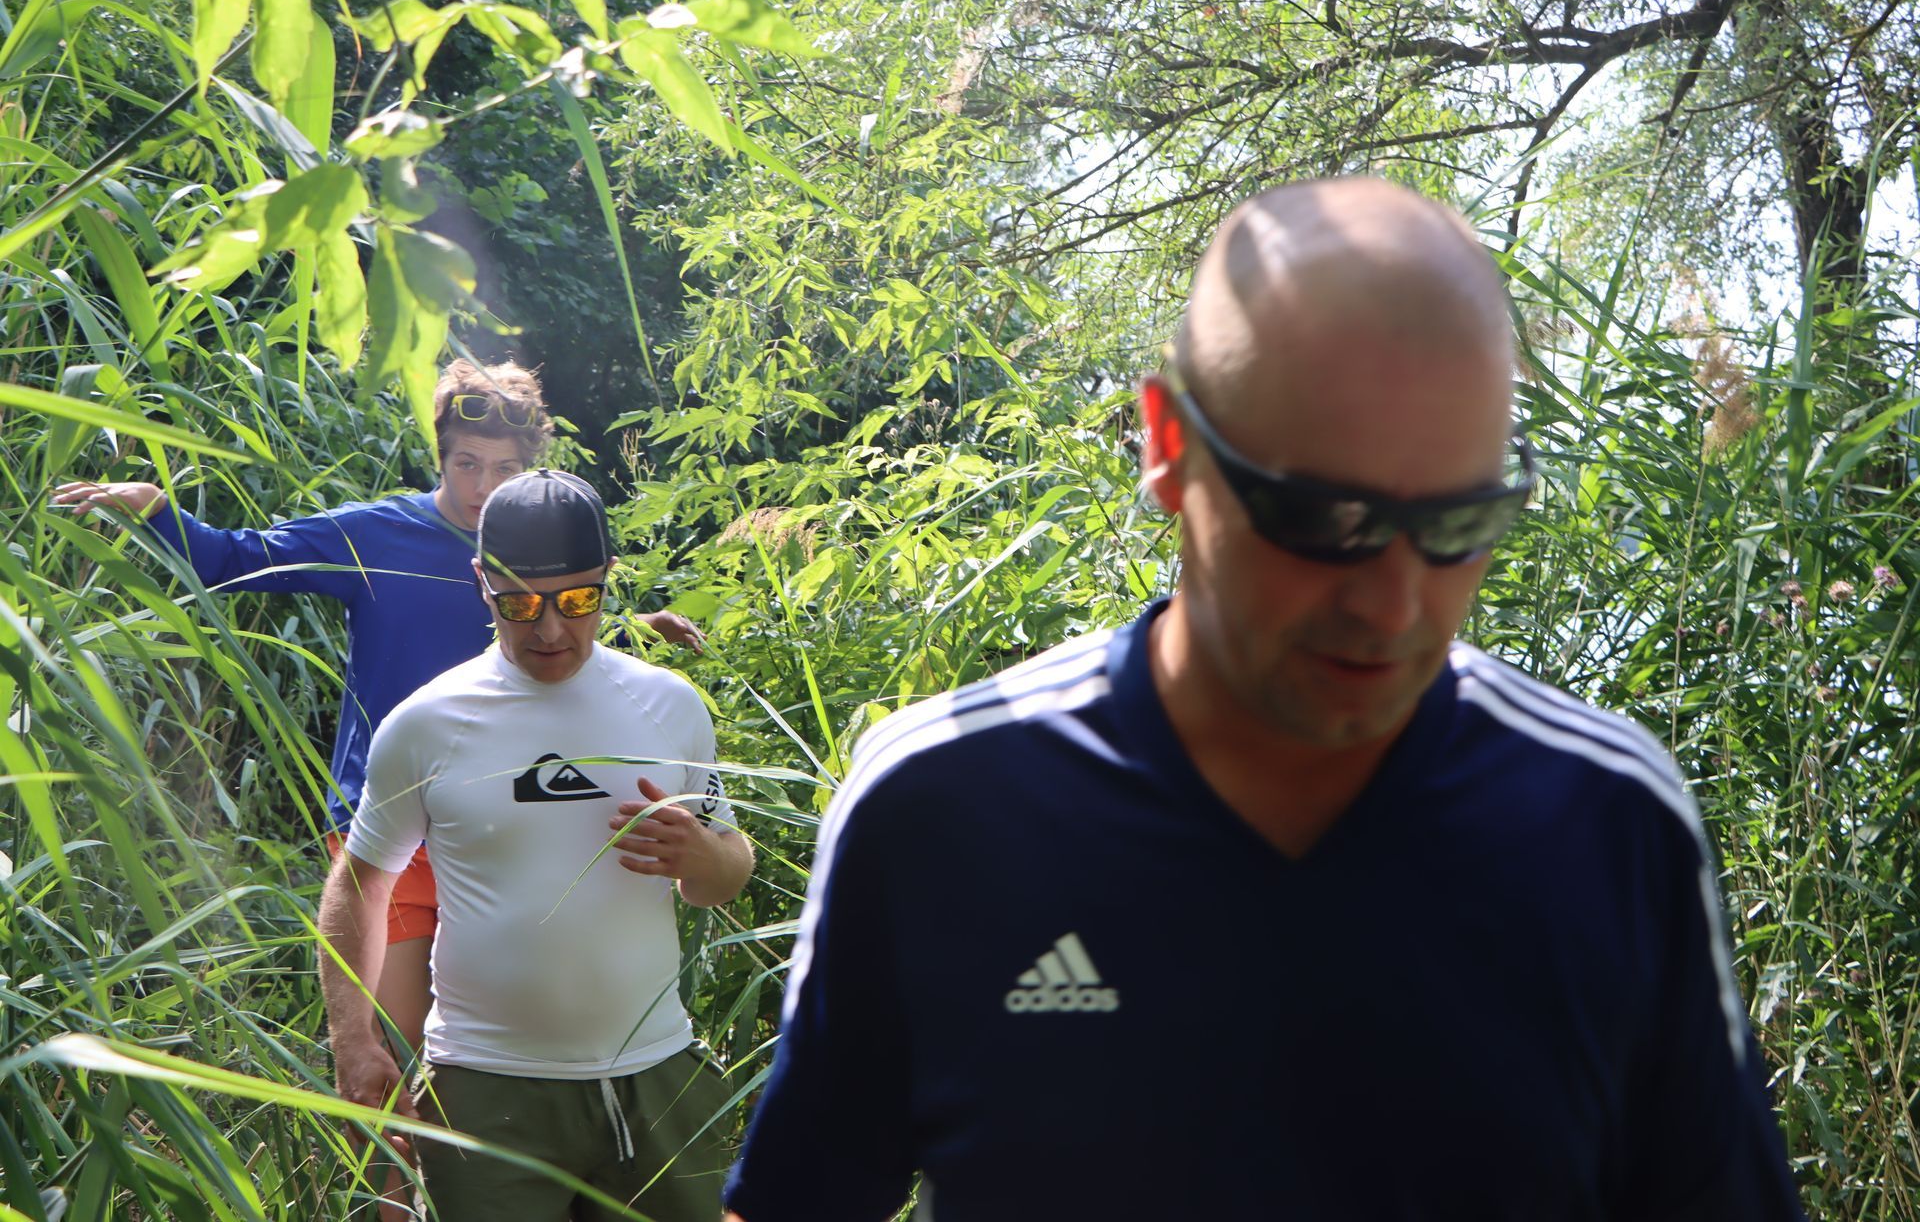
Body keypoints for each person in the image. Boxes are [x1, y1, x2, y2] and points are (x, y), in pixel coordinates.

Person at [721, 179, 1805, 1220]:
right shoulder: (940, 808)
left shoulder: (1605, 822)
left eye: (1462, 522)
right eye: (1325, 518)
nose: (1394, 603)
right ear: (1166, 446)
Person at [55, 359, 701, 1055]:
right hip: (396, 826)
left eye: (505, 469)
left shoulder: (541, 554)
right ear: (441, 455)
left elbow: (555, 622)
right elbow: (236, 560)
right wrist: (155, 506)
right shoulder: (376, 534)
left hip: (504, 820)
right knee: (397, 1053)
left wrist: (633, 626)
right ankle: (391, 1166)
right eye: (466, 464)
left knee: (497, 1052)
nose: (483, 488)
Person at [319, 467, 754, 1221]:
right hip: (486, 1086)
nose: (550, 630)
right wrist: (352, 1039)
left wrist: (705, 858)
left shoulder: (668, 706)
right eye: (519, 603)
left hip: (654, 1073)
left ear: (608, 582)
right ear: (481, 582)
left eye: (578, 601)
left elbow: (725, 870)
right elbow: (360, 883)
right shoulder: (426, 724)